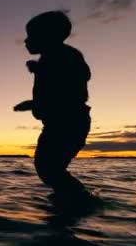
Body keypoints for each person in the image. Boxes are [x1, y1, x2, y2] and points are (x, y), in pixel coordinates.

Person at [14, 10, 92, 201]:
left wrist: (35, 100)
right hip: (60, 124)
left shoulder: (63, 56)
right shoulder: (53, 58)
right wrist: (39, 70)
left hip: (68, 123)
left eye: (31, 36)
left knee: (49, 168)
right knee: (49, 168)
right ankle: (70, 202)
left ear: (48, 36)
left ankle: (80, 201)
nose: (26, 41)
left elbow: (72, 89)